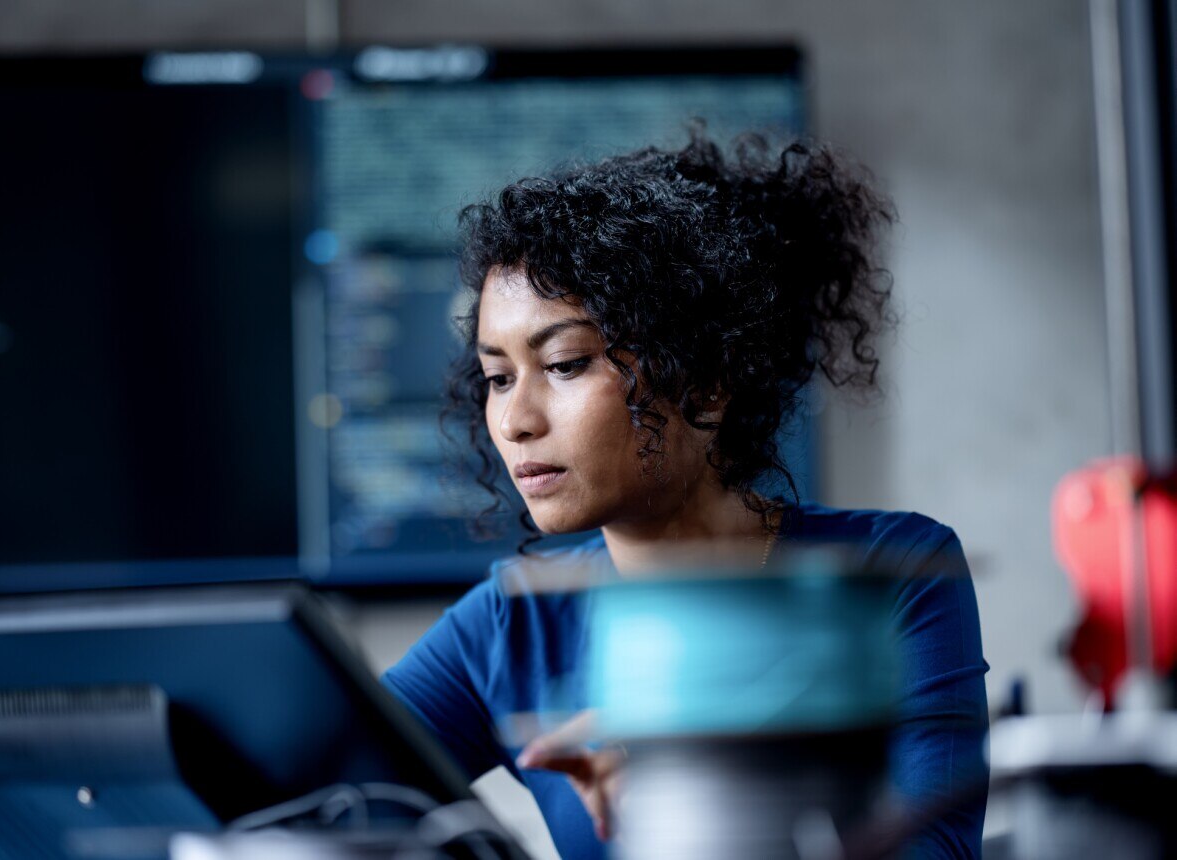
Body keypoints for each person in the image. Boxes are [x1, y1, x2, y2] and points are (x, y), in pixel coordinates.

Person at [382, 129, 988, 859]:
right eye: (498, 378)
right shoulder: (510, 624)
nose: (515, 420)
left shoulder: (894, 574)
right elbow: (296, 793)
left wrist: (702, 790)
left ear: (703, 379)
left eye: (566, 364)